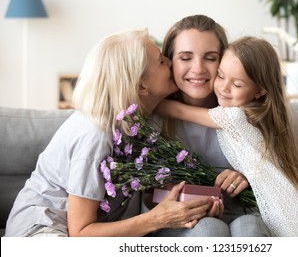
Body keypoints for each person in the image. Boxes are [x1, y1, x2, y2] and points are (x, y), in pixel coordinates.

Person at [5, 29, 218, 237]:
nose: (170, 61)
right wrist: (156, 219)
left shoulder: (140, 120)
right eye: (161, 61)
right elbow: (80, 232)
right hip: (43, 230)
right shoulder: (96, 135)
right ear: (141, 85)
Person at [156, 35, 298, 236]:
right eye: (221, 76)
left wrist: (146, 100)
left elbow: (179, 111)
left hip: (285, 214)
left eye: (237, 84)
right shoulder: (258, 114)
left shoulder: (235, 115)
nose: (224, 87)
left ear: (259, 91)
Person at [153, 14, 271, 237]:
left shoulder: (245, 112)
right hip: (180, 222)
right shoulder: (153, 116)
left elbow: (274, 172)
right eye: (185, 58)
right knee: (209, 228)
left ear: (224, 60)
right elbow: (147, 198)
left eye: (210, 57)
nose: (198, 69)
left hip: (240, 215)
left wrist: (247, 176)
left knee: (250, 227)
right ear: (170, 61)